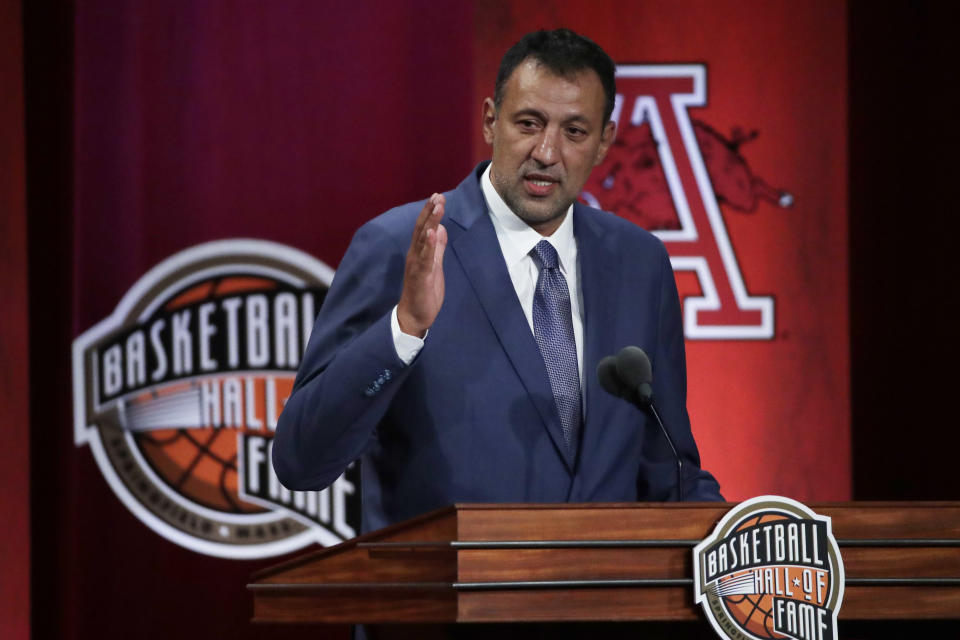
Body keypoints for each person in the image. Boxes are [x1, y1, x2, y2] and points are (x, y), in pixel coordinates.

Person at [273, 29, 722, 534]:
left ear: (604, 142)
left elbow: (669, 473)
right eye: (529, 123)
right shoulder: (398, 247)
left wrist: (749, 540)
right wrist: (404, 329)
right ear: (490, 120)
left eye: (575, 131)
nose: (547, 152)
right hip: (448, 602)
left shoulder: (640, 264)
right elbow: (300, 461)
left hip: (601, 605)